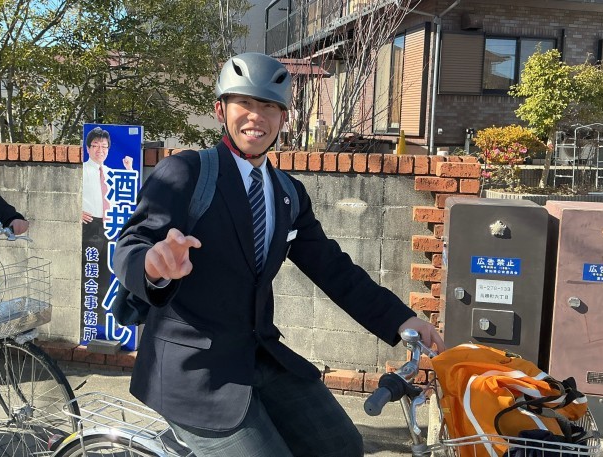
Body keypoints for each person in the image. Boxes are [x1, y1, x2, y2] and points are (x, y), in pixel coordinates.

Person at [113, 52, 445, 457]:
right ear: (220, 110)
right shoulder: (187, 173)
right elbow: (131, 245)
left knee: (341, 445)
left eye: (269, 106)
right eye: (244, 103)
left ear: (284, 118)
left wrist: (401, 319)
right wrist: (154, 266)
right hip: (194, 372)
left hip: (259, 356)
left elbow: (332, 267)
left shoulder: (287, 193)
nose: (257, 116)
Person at [81, 127, 132, 307]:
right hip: (90, 226)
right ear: (88, 148)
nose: (100, 150)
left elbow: (126, 197)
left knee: (104, 275)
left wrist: (128, 169)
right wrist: (76, 211)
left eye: (104, 146)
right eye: (95, 145)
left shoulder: (111, 173)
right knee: (88, 273)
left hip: (110, 227)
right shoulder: (81, 171)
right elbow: (67, 197)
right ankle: (86, 312)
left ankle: (100, 315)